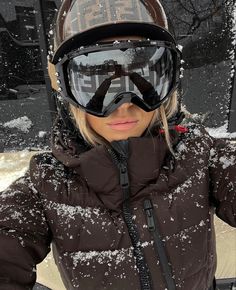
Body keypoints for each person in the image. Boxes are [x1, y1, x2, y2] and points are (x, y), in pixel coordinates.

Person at [0, 0, 235, 289]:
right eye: (96, 81)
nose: (123, 106)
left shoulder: (197, 154)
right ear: (68, 90)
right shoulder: (48, 186)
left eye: (144, 77)